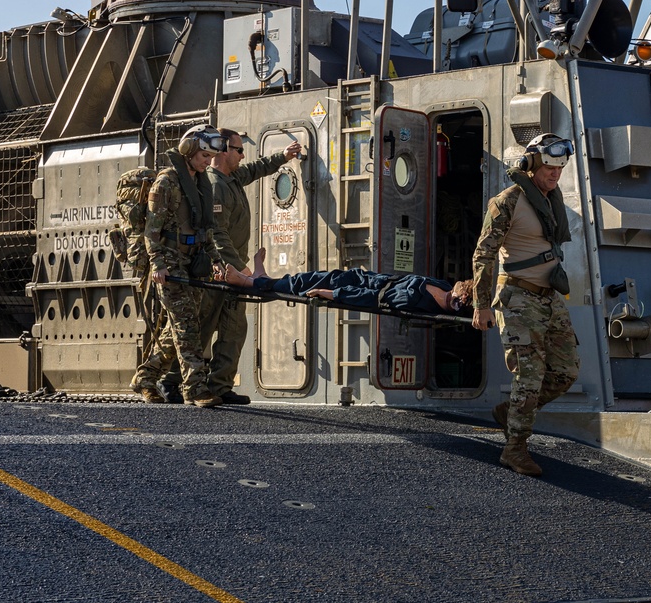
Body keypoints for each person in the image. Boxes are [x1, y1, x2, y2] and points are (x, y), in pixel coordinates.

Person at [471, 133, 581, 476]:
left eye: (560, 168)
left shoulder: (550, 199)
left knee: (565, 372)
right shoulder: (508, 201)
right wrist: (482, 304)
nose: (555, 174)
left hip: (549, 297)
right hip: (517, 297)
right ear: (532, 164)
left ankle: (511, 412)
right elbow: (483, 253)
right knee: (529, 377)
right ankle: (515, 448)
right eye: (549, 167)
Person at [198, 130, 303, 405]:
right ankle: (180, 383)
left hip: (233, 273)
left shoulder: (232, 179)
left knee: (234, 328)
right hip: (218, 272)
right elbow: (217, 234)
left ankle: (220, 386)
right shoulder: (214, 185)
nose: (243, 156)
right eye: (239, 150)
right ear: (223, 151)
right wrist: (242, 269)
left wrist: (283, 157)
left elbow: (256, 169)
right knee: (202, 328)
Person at [132, 125, 227, 408]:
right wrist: (158, 264)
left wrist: (216, 260)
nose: (207, 162)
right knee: (186, 328)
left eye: (210, 157)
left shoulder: (199, 183)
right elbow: (152, 231)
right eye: (203, 155)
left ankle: (145, 377)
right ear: (188, 150)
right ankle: (195, 389)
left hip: (193, 262)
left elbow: (205, 229)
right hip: (170, 264)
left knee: (177, 330)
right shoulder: (167, 182)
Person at [225, 248, 473, 315]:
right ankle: (262, 278)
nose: (453, 299)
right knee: (306, 278)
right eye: (458, 295)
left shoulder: (418, 301)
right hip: (367, 278)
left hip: (364, 287)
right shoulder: (441, 285)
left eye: (457, 304)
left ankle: (249, 282)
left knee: (306, 284)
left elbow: (375, 300)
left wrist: (333, 294)